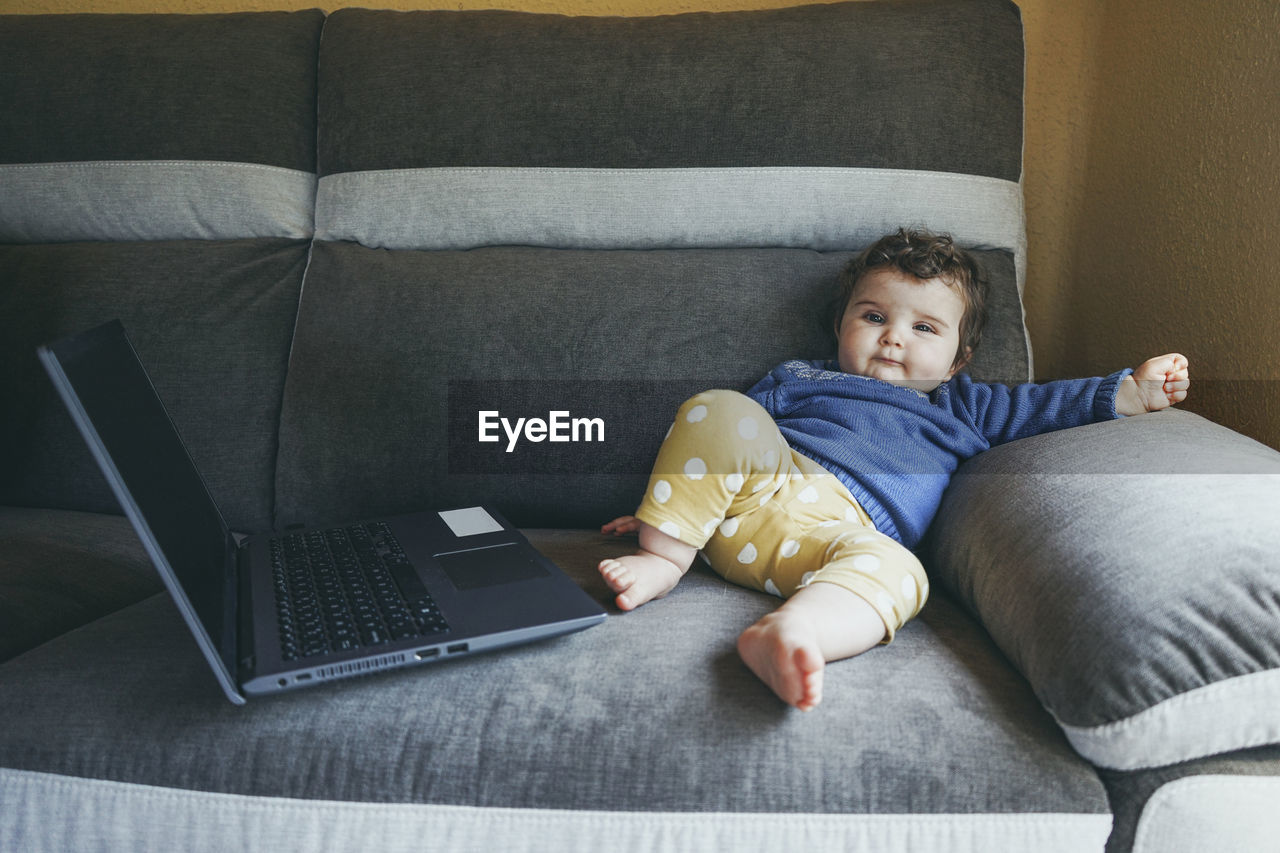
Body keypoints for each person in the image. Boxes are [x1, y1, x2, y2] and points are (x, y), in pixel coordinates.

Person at [598, 228, 1190, 712]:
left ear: (958, 360)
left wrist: (1131, 392)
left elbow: (1045, 405)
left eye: (923, 328)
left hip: (833, 541)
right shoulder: (800, 377)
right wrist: (671, 512)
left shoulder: (964, 407)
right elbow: (724, 444)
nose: (893, 339)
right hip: (761, 494)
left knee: (902, 571)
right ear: (841, 326)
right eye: (874, 316)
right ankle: (664, 556)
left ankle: (796, 633)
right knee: (722, 407)